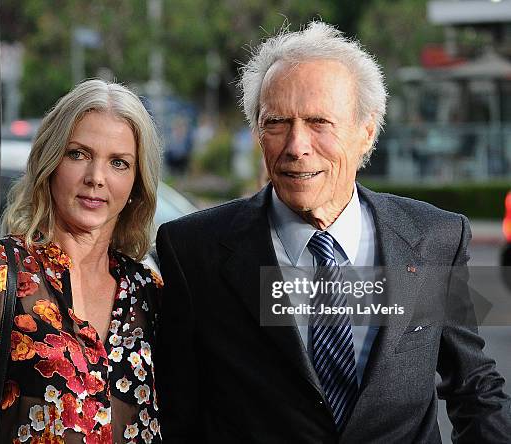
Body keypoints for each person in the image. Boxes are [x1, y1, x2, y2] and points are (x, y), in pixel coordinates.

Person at [155, 22, 511, 443]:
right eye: (277, 122)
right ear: (257, 133)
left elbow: (474, 389)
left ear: (366, 132)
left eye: (319, 121)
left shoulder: (433, 237)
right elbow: (178, 415)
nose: (296, 145)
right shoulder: (194, 250)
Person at [0, 79, 163, 443]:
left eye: (118, 163)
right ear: (50, 161)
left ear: (136, 183)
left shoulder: (149, 293)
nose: (96, 178)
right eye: (78, 154)